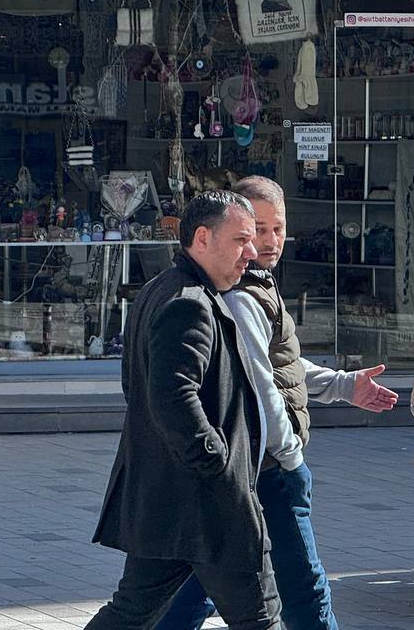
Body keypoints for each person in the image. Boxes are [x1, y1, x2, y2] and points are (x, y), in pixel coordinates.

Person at [154, 176, 399, 630]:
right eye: (254, 232)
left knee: (196, 585)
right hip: (267, 469)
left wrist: (343, 385)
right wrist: (289, 458)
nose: (268, 242)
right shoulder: (243, 294)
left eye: (277, 229)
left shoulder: (257, 283)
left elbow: (280, 366)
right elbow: (261, 388)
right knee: (305, 590)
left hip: (245, 467)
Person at [86, 191, 279, 630]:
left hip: (170, 503)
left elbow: (137, 387)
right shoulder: (189, 301)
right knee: (261, 618)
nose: (251, 253)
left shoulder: (165, 290)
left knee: (132, 611)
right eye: (241, 240)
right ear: (203, 237)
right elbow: (172, 395)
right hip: (208, 505)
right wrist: (216, 459)